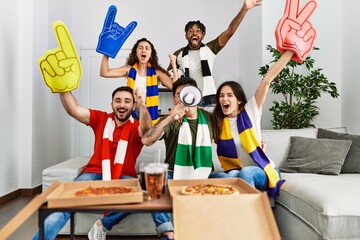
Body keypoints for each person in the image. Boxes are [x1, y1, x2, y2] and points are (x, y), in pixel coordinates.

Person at [32, 86, 174, 240]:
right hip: (93, 174)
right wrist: (61, 86)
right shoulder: (101, 119)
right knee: (64, 203)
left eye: (127, 101)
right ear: (111, 104)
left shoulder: (136, 126)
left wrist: (142, 104)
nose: (122, 105)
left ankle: (103, 224)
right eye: (117, 101)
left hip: (124, 177)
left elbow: (146, 130)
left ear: (133, 106)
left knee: (144, 193)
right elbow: (73, 109)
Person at [211, 51, 295, 198]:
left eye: (230, 95)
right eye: (221, 96)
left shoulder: (250, 111)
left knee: (246, 172)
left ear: (239, 100)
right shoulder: (218, 122)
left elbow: (267, 80)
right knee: (220, 177)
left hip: (261, 170)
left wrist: (290, 52)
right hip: (235, 171)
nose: (224, 99)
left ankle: (248, 214)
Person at [168, 0, 261, 107]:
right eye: (190, 31)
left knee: (209, 123)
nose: (194, 33)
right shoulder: (179, 54)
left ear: (203, 35)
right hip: (187, 97)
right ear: (186, 35)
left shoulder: (210, 49)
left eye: (198, 31)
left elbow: (230, 31)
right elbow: (168, 77)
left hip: (208, 98)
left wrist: (244, 9)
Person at [142, 76, 214, 181]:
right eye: (180, 94)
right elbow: (146, 140)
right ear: (174, 99)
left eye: (188, 92)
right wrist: (170, 118)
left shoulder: (210, 118)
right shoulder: (169, 120)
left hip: (204, 173)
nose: (185, 97)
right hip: (174, 173)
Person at [101, 37, 178, 125]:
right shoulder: (129, 70)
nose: (143, 50)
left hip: (148, 113)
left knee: (146, 138)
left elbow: (176, 87)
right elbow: (105, 72)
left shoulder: (156, 72)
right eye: (140, 48)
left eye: (147, 48)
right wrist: (106, 53)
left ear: (151, 53)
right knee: (131, 138)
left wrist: (174, 65)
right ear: (136, 52)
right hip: (132, 111)